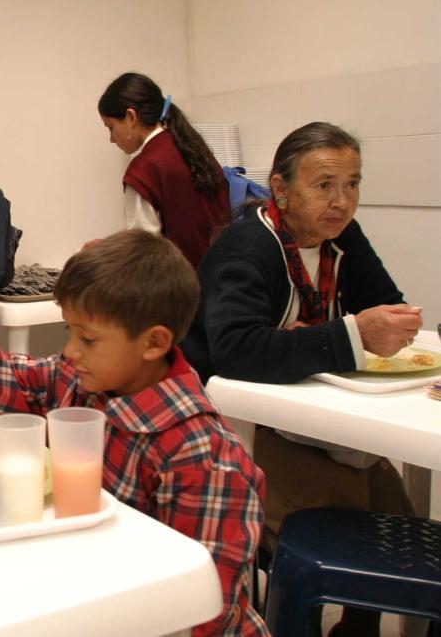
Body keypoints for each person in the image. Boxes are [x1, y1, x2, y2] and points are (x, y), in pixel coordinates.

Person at [0, 229, 267, 637]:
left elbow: (202, 606)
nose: (72, 351)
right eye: (69, 332)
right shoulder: (83, 380)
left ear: (154, 343)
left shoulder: (204, 458)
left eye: (88, 338)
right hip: (90, 589)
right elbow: (21, 382)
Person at [182, 122, 420, 637]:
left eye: (352, 184)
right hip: (233, 422)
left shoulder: (342, 239)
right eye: (324, 185)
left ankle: (360, 623)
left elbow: (384, 305)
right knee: (350, 501)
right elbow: (237, 350)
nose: (341, 201)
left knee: (393, 503)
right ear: (282, 190)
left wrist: (382, 327)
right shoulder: (249, 246)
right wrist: (348, 334)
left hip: (304, 415)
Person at [97, 72, 230, 268]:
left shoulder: (144, 170)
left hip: (180, 291)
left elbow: (143, 257)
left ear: (131, 117)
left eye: (111, 127)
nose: (111, 139)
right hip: (220, 282)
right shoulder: (194, 150)